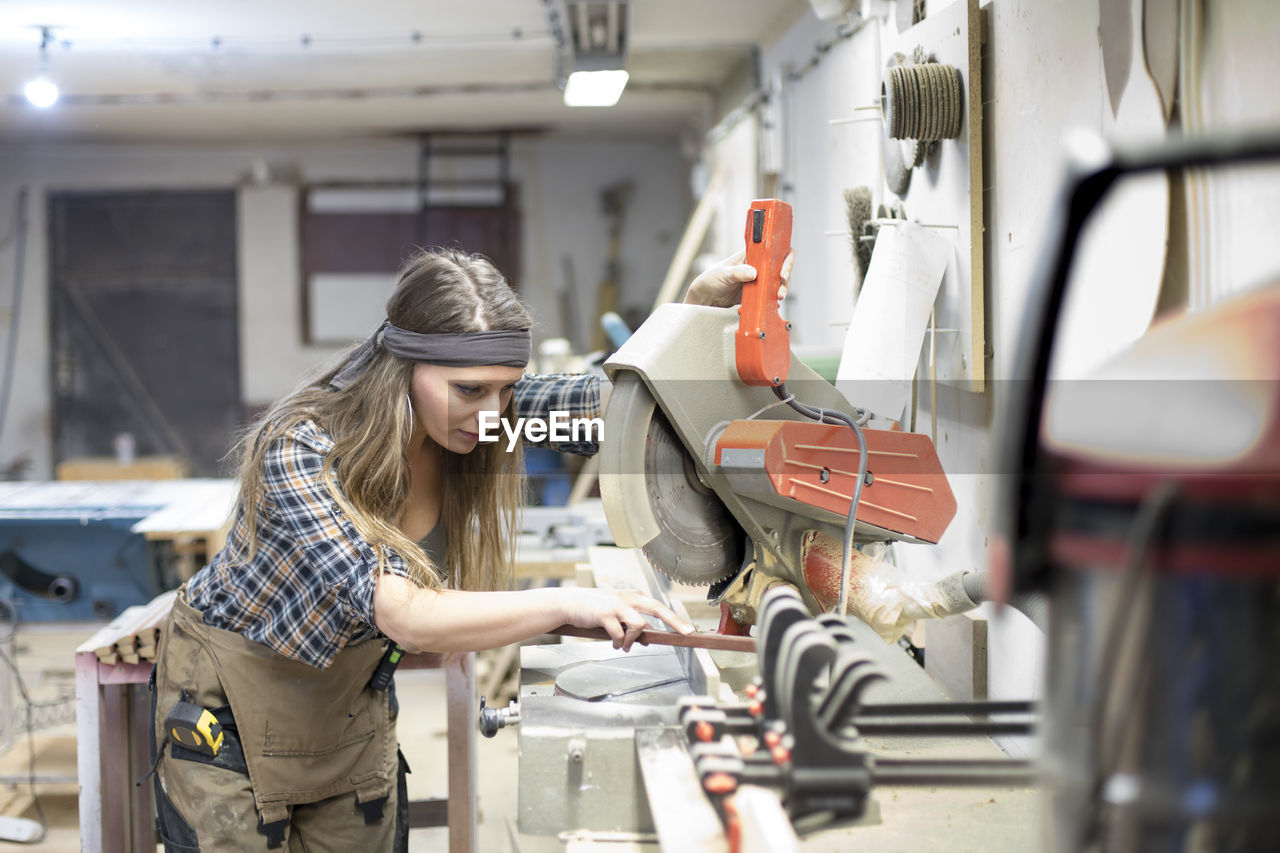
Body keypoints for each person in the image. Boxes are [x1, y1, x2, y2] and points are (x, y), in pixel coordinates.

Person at [149, 244, 787, 851]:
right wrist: (568, 604)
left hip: (344, 707)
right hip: (230, 704)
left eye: (507, 390)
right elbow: (403, 613)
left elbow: (613, 406)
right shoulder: (302, 447)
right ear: (404, 368)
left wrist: (694, 312)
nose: (493, 415)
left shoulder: (489, 413)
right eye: (469, 390)